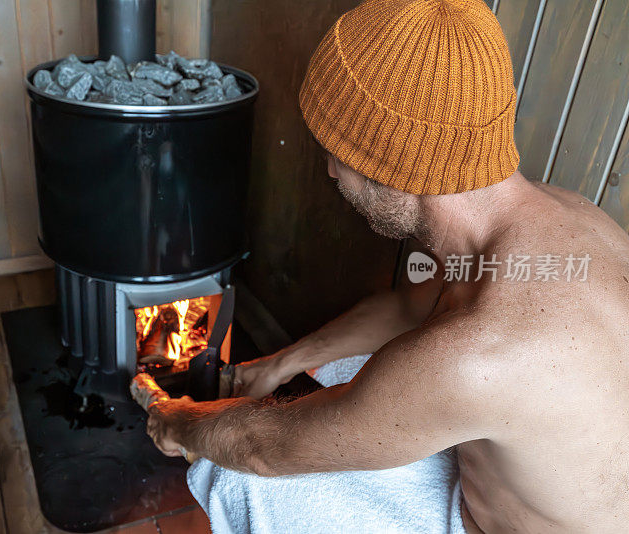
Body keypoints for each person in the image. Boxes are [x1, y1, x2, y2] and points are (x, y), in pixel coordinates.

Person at [144, 0, 629, 531]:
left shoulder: (477, 352)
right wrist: (279, 363)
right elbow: (410, 306)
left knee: (243, 475)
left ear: (392, 163)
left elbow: (265, 448)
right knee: (329, 377)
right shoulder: (569, 216)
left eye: (337, 152)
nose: (330, 170)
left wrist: (178, 422)